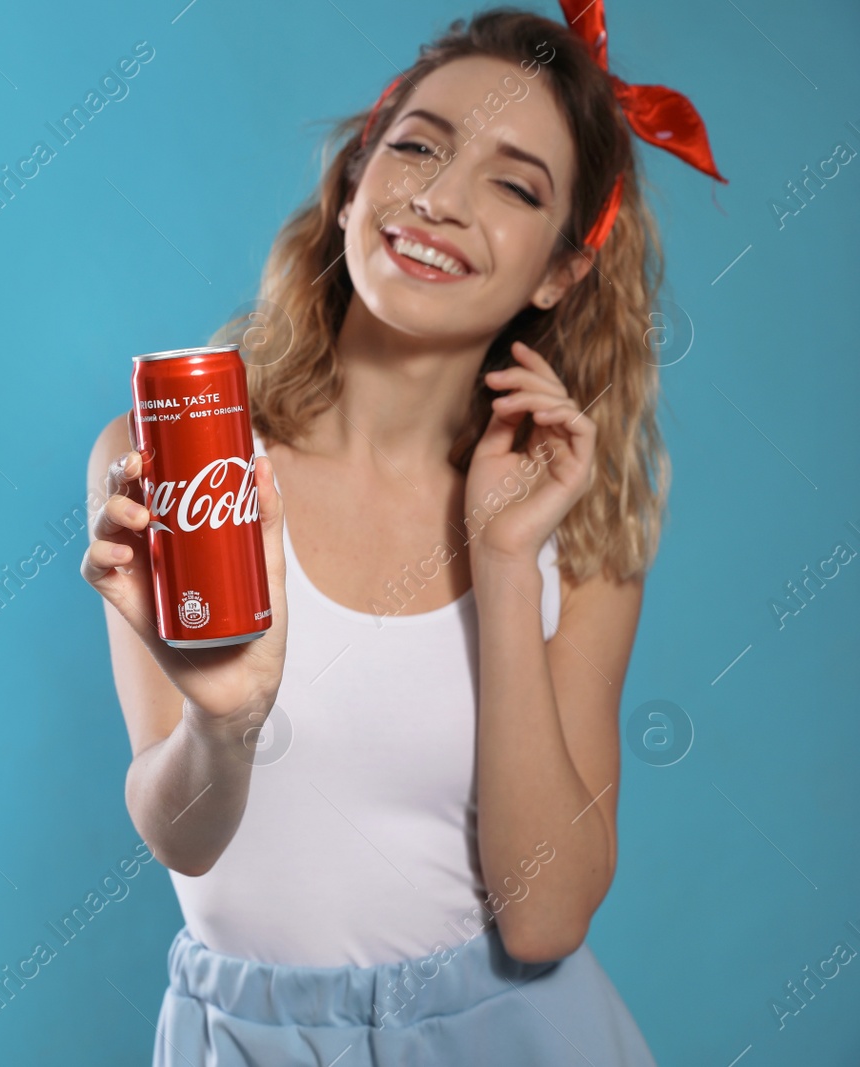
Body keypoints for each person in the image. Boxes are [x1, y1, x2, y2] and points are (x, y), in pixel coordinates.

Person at [80, 3, 725, 1063]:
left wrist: (504, 558)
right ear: (349, 185)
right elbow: (182, 836)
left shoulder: (580, 533)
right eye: (419, 145)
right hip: (243, 1038)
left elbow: (547, 917)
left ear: (560, 271)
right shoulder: (178, 464)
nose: (439, 197)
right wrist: (225, 723)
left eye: (514, 184)